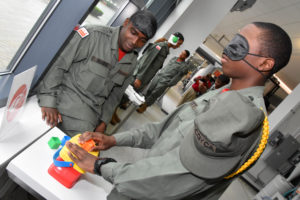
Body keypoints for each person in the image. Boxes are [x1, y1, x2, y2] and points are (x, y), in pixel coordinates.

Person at [65, 22, 292, 200]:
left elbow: (171, 178)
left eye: (240, 45)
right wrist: (113, 140)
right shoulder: (223, 92)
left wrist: (100, 166)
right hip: (132, 188)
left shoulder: (243, 118)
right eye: (232, 40)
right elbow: (162, 131)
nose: (228, 48)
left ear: (264, 64)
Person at [36, 10, 157, 136]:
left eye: (142, 40)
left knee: (90, 152)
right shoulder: (93, 35)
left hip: (90, 115)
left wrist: (104, 122)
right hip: (64, 101)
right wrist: (48, 102)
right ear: (126, 22)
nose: (134, 42)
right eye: (133, 33)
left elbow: (115, 95)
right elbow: (59, 64)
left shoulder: (132, 63)